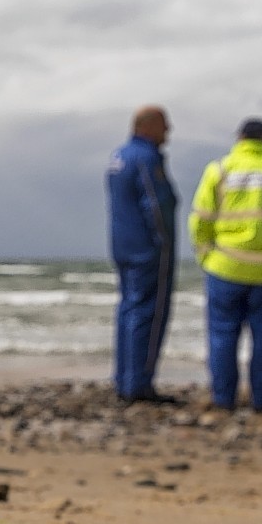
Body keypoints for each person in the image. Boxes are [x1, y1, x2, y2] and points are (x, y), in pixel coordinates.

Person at [188, 118, 262, 412]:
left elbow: (200, 218)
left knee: (222, 336)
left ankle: (223, 398)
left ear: (239, 137)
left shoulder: (219, 169)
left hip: (224, 267)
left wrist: (205, 255)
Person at [106, 105, 178, 404]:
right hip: (147, 249)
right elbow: (155, 203)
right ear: (147, 127)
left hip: (124, 244)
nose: (169, 131)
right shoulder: (146, 158)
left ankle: (124, 379)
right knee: (149, 313)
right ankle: (139, 384)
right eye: (164, 125)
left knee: (129, 310)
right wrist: (162, 240)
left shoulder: (119, 156)